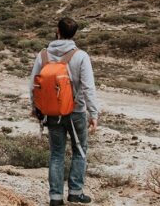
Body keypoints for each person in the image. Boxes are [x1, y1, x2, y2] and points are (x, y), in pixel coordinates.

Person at [29, 17, 100, 205]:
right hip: (76, 112)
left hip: (51, 112)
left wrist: (35, 107)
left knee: (57, 154)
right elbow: (88, 88)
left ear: (57, 31)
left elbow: (34, 84)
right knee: (79, 150)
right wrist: (94, 114)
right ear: (74, 34)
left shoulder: (43, 55)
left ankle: (55, 197)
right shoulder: (81, 56)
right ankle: (75, 192)